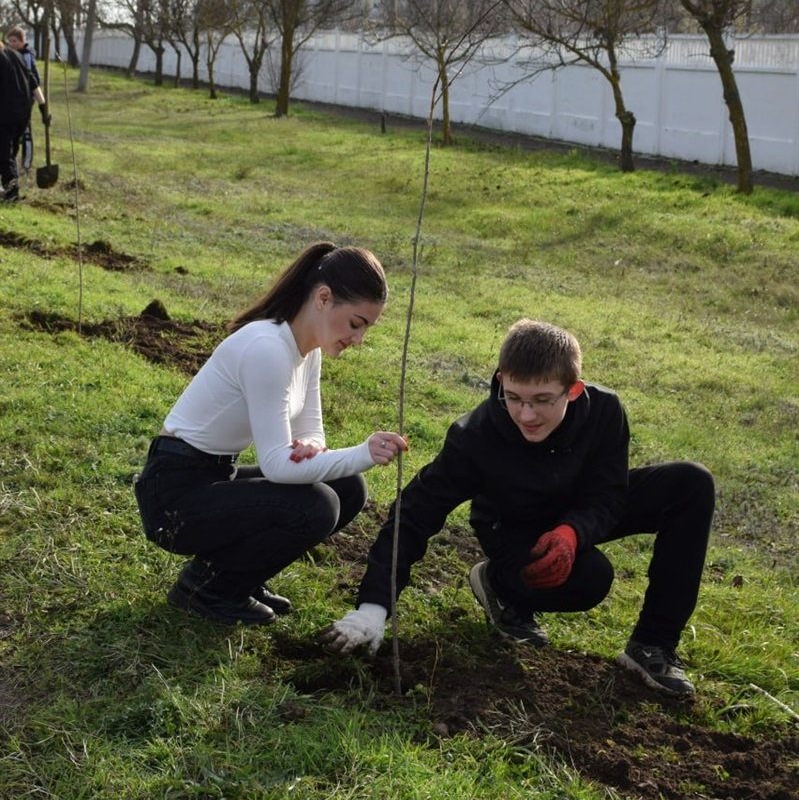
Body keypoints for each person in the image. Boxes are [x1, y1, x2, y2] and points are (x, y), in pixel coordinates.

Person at [322, 318, 715, 697]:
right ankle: (499, 585)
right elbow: (415, 512)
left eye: (543, 401)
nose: (526, 415)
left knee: (690, 483)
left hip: (575, 513)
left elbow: (608, 495)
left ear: (573, 390)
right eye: (514, 398)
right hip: (514, 529)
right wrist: (373, 608)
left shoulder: (605, 412)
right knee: (591, 578)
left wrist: (572, 532)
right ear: (500, 382)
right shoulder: (475, 436)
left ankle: (651, 646)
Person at [135, 241, 408, 625]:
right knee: (319, 505)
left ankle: (239, 576)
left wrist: (315, 447)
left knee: (348, 487)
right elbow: (278, 466)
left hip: (214, 477)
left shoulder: (306, 351)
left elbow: (311, 430)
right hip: (172, 498)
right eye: (356, 324)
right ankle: (206, 588)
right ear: (324, 298)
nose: (359, 339)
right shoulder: (267, 348)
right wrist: (364, 452)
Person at [0, 35, 49, 203]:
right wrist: (44, 110)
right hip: (23, 115)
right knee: (10, 152)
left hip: (6, 114)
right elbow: (34, 83)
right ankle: (7, 187)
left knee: (4, 153)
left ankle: (12, 193)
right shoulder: (17, 56)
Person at [5, 26, 46, 174]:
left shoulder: (26, 56)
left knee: (26, 133)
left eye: (15, 41)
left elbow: (32, 79)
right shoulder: (11, 55)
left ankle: (26, 164)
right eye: (10, 41)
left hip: (25, 100)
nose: (12, 44)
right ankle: (13, 162)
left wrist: (39, 104)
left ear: (23, 41)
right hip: (14, 100)